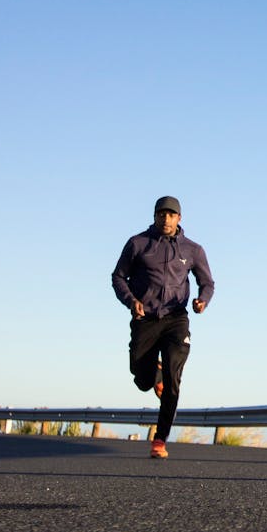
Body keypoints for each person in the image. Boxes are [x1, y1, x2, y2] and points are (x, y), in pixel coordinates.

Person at [112, 196, 215, 459]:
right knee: (141, 377)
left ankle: (160, 439)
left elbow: (207, 282)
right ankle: (152, 375)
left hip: (175, 319)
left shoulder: (192, 249)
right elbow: (118, 276)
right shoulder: (138, 243)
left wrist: (203, 300)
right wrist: (131, 301)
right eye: (161, 214)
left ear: (179, 218)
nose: (166, 219)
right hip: (145, 318)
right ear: (155, 216)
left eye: (171, 215)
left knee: (173, 377)